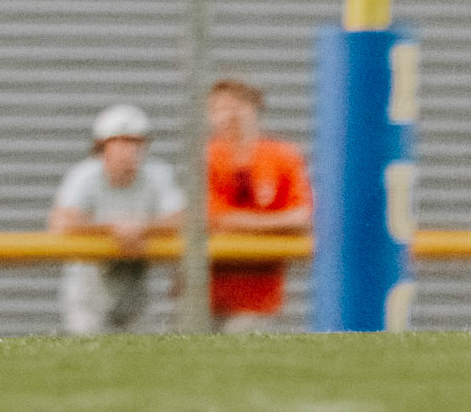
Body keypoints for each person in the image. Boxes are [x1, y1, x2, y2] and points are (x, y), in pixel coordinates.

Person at [49, 104, 184, 335]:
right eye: (120, 142)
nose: (128, 150)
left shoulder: (157, 175)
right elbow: (61, 223)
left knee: (139, 351)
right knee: (89, 349)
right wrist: (113, 229)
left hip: (136, 288)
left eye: (135, 142)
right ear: (102, 146)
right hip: (89, 288)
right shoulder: (84, 176)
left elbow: (181, 220)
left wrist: (140, 227)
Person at [206, 77, 311, 331]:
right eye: (219, 109)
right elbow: (212, 218)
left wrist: (236, 222)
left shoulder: (282, 156)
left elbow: (301, 217)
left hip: (261, 296)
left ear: (254, 108)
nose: (228, 116)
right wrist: (275, 224)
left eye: (235, 106)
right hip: (208, 293)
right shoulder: (208, 157)